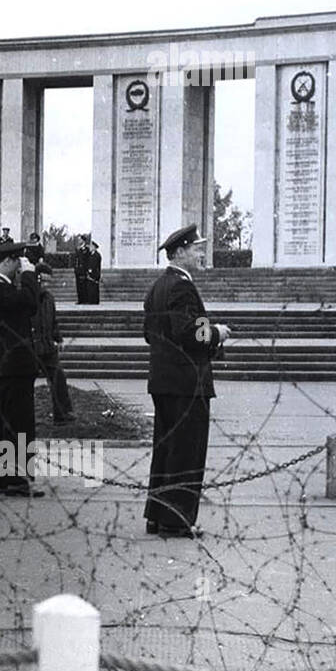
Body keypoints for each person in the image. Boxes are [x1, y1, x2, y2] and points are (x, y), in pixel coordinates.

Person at [143, 225, 230, 538]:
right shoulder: (182, 287)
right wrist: (216, 332)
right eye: (195, 248)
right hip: (187, 383)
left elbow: (149, 333)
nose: (200, 253)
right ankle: (177, 520)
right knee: (186, 452)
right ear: (179, 252)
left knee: (166, 450)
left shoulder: (157, 287)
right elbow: (188, 330)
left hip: (164, 381)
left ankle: (157, 515)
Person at [0, 239, 42, 496]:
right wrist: (30, 275)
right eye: (18, 261)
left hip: (10, 365)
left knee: (4, 421)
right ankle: (16, 479)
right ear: (7, 261)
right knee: (18, 422)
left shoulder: (0, 285)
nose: (20, 266)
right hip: (12, 365)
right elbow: (30, 304)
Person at [32, 263, 75, 424]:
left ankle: (62, 414)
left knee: (59, 378)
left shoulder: (49, 298)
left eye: (49, 282)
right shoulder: (28, 296)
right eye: (43, 281)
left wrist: (58, 338)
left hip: (48, 347)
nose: (46, 285)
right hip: (31, 348)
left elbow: (53, 321)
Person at [73, 236, 90, 303]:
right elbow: (76, 260)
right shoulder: (78, 249)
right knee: (78, 286)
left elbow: (87, 260)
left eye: (80, 239)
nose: (79, 240)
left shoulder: (86, 249)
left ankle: (85, 300)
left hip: (83, 270)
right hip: (78, 270)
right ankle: (80, 300)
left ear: (83, 240)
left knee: (84, 285)